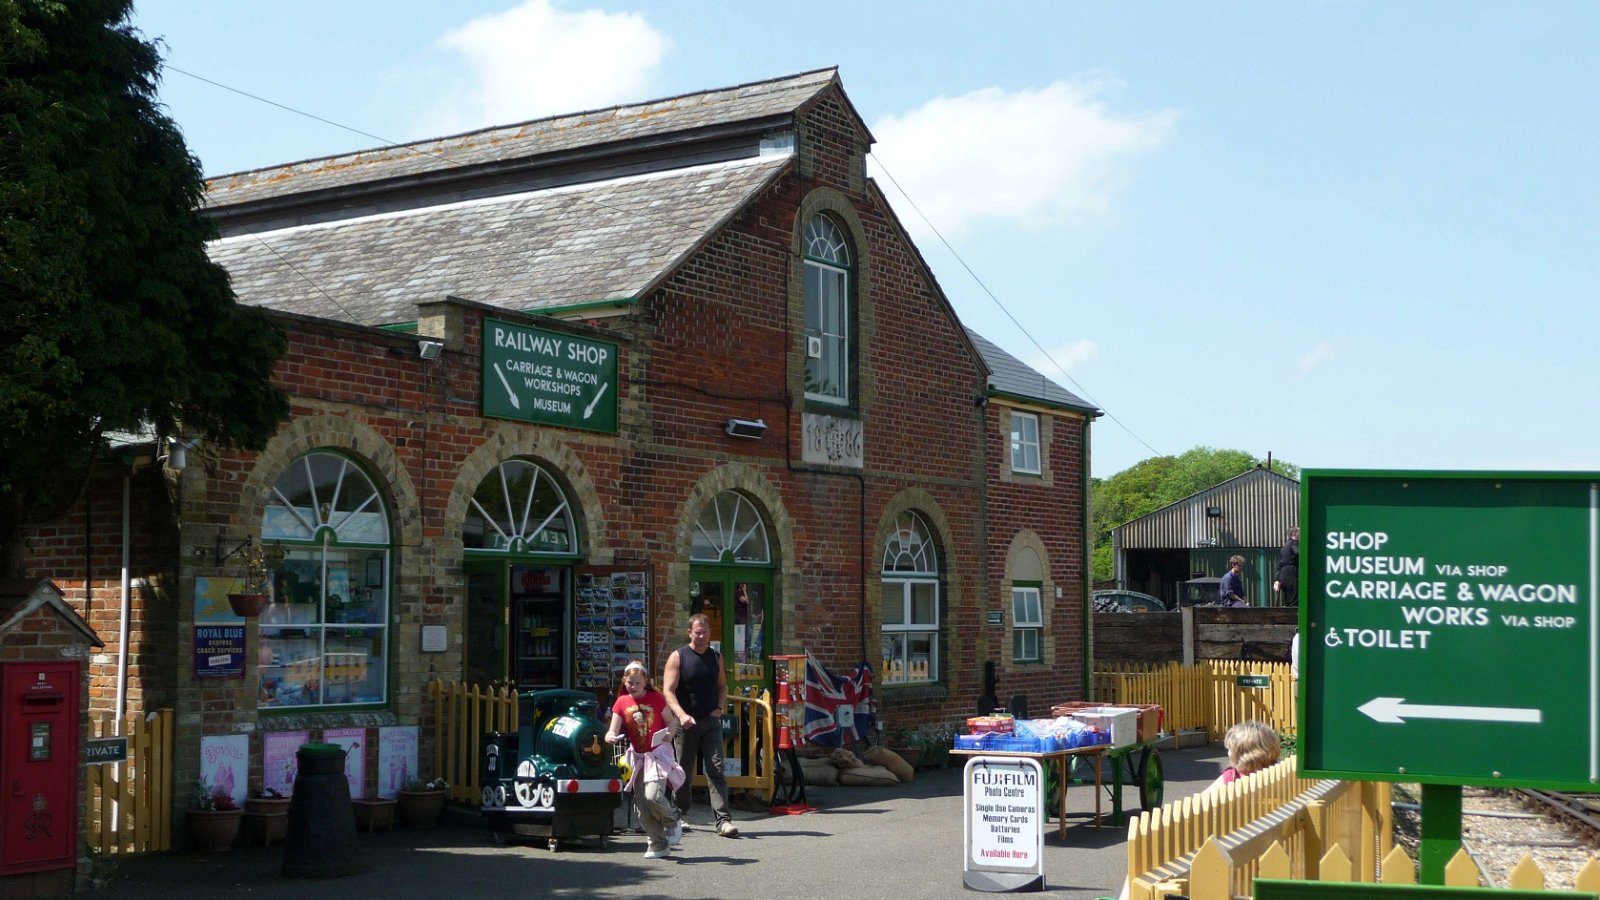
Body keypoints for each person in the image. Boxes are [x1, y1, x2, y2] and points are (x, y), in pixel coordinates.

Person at [662, 613, 738, 837]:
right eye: (698, 632)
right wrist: (681, 715)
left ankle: (723, 821)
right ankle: (680, 814)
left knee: (716, 769)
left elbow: (723, 686)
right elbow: (668, 691)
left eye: (705, 632)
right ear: (689, 633)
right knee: (682, 771)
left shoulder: (716, 657)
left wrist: (719, 709)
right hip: (686, 723)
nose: (702, 636)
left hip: (711, 721)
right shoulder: (679, 657)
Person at [606, 660, 685, 859]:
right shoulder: (621, 702)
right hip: (639, 757)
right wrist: (610, 737)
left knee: (653, 795)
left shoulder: (656, 698)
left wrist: (669, 734)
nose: (633, 687)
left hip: (658, 754)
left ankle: (673, 819)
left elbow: (672, 722)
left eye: (637, 683)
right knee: (641, 806)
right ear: (624, 681)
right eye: (630, 683)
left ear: (645, 682)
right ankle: (659, 844)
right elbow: (611, 731)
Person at [1205, 720, 1282, 793]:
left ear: (1245, 755)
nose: (1228, 753)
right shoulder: (1278, 773)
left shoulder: (1232, 777)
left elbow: (1203, 800)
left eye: (1231, 749)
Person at [1273, 527, 1300, 607]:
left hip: (1283, 575)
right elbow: (1298, 552)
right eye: (1299, 533)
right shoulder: (1294, 543)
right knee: (1294, 601)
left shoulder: (1285, 546)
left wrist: (1276, 579)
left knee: (1287, 600)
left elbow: (1279, 564)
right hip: (1292, 574)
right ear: (1294, 533)